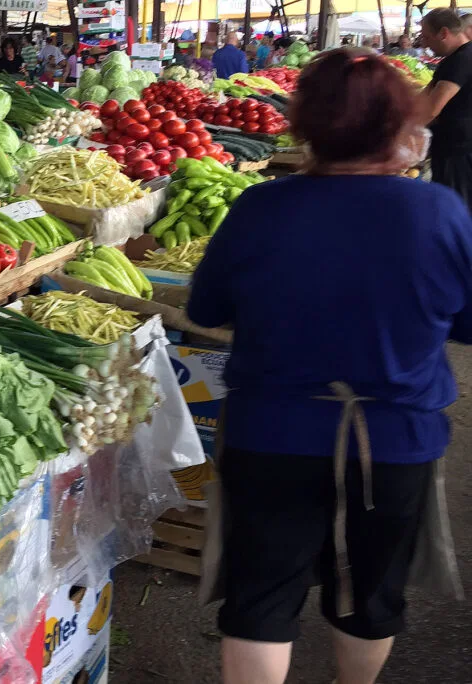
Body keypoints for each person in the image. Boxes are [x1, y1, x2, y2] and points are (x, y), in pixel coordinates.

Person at [188, 48, 465, 684]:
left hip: (271, 435)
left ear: (305, 123)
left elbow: (206, 309)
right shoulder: (439, 211)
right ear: (401, 123)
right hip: (394, 440)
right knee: (370, 596)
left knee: (261, 599)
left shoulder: (261, 207)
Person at [420, 9, 472, 210]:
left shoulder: (462, 60)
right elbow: (424, 96)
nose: (424, 44)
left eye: (426, 37)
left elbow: (432, 109)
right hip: (452, 148)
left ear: (443, 33)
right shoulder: (453, 59)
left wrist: (398, 135)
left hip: (457, 152)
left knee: (455, 207)